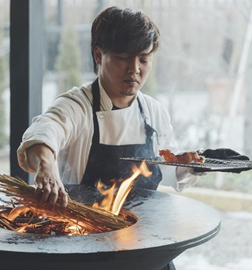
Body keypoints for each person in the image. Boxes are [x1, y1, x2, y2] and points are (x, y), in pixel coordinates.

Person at [17, 6, 201, 209]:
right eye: (123, 58)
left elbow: (163, 170)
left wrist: (187, 165)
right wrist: (46, 166)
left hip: (143, 233)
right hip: (83, 231)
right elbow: (45, 130)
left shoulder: (153, 112)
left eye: (144, 59)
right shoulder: (78, 105)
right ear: (98, 56)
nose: (134, 69)